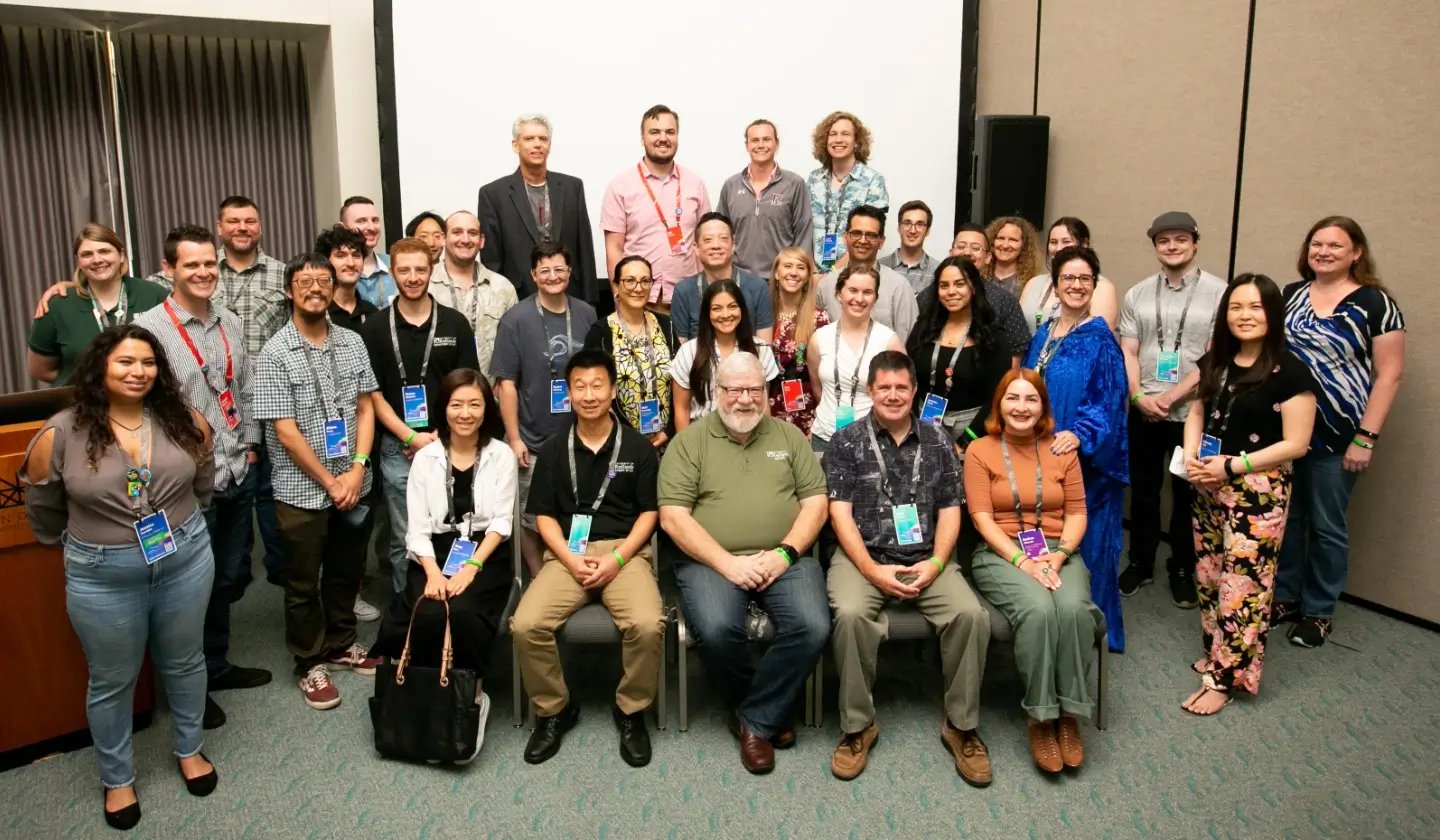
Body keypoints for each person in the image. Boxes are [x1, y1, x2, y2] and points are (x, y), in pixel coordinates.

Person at [22, 325, 220, 830]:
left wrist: (183, 521)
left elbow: (203, 483)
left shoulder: (183, 420)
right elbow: (43, 511)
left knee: (185, 661)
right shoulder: (61, 433)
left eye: (148, 363)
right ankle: (118, 779)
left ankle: (190, 748)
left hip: (185, 560)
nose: (139, 372)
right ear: (100, 368)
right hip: (102, 575)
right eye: (126, 362)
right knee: (112, 680)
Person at [823, 351, 992, 785]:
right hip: (863, 556)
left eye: (902, 387)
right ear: (870, 391)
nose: (894, 396)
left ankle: (962, 726)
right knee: (851, 615)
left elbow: (952, 510)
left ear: (914, 391)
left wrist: (937, 562)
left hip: (926, 558)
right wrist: (869, 568)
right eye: (885, 388)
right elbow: (839, 514)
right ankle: (857, 726)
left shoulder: (938, 442)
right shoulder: (846, 442)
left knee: (970, 616)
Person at [660, 351, 830, 775]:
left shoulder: (791, 438)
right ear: (717, 393)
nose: (745, 399)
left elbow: (815, 504)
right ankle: (766, 713)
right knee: (717, 630)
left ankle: (753, 717)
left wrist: (785, 552)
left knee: (813, 626)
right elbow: (673, 518)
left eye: (754, 389)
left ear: (767, 392)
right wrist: (727, 564)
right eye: (734, 390)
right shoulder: (690, 442)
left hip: (785, 556)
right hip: (710, 561)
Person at [132, 226, 272, 731]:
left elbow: (246, 389)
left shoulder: (230, 323)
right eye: (191, 265)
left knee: (226, 576)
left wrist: (252, 448)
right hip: (185, 482)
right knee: (184, 586)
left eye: (210, 264)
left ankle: (215, 664)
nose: (204, 272)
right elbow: (141, 406)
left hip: (236, 469)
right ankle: (186, 684)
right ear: (168, 270)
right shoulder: (147, 330)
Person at [513, 350, 664, 767]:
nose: (589, 394)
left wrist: (617, 559)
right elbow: (542, 516)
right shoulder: (553, 447)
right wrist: (568, 558)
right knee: (526, 625)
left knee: (648, 625)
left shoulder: (637, 446)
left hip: (625, 552)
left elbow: (650, 514)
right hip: (567, 553)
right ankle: (554, 709)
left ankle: (631, 711)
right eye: (579, 386)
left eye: (598, 385)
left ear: (613, 390)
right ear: (569, 392)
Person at [1180, 274, 1316, 715]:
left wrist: (1233, 466)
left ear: (1272, 314)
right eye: (1236, 307)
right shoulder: (1216, 360)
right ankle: (1218, 654)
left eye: (1256, 307)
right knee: (1210, 575)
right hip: (1209, 481)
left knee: (1244, 587)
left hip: (1256, 492)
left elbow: (1297, 443)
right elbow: (1196, 409)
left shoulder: (1290, 370)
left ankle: (1224, 678)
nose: (1245, 316)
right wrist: (1196, 459)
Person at [254, 254, 383, 710]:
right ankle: (309, 661)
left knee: (347, 571)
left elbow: (366, 406)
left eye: (323, 281)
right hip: (302, 491)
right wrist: (332, 480)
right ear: (290, 290)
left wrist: (359, 467)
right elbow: (284, 431)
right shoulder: (273, 353)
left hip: (354, 483)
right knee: (303, 580)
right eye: (305, 281)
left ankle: (343, 642)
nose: (315, 288)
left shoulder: (351, 341)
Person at [1274, 216, 1405, 648]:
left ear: (1356, 252)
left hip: (1341, 434)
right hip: (1287, 432)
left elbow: (1389, 376)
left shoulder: (1375, 303)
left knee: (1328, 526)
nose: (1324, 252)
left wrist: (1366, 438)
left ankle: (1319, 611)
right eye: (1317, 244)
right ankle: (1286, 598)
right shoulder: (1290, 295)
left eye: (1335, 245)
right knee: (1288, 520)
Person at [964, 368, 1102, 775]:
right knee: (1040, 610)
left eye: (1031, 399)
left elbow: (1077, 511)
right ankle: (1042, 717)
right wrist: (1024, 561)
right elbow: (982, 518)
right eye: (1013, 398)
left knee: (1076, 609)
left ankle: (1070, 715)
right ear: (1000, 405)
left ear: (1043, 406)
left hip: (1059, 552)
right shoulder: (980, 451)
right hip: (1001, 554)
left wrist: (1058, 556)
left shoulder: (1061, 450)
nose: (1021, 407)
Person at [370, 369, 516, 750]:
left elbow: (501, 523)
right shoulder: (426, 458)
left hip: (486, 553)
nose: (465, 413)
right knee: (429, 610)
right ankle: (425, 696)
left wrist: (471, 568)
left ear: (487, 410)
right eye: (456, 405)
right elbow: (415, 529)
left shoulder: (500, 455)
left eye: (474, 404)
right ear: (443, 409)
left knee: (464, 612)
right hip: (434, 553)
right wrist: (433, 573)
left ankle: (469, 694)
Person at [1117, 211, 1228, 607]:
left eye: (1180, 239)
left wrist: (1173, 395)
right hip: (1144, 409)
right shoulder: (1138, 293)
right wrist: (1137, 396)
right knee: (1144, 492)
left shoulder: (1220, 293)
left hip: (1192, 413)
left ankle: (1182, 568)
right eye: (1164, 240)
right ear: (1155, 247)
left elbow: (1218, 354)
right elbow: (1128, 350)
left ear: (1195, 243)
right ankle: (1141, 562)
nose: (1172, 246)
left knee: (1187, 496)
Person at [1022, 246, 1129, 652]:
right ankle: (1048, 618)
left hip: (1081, 461)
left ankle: (1092, 632)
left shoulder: (1101, 339)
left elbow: (1110, 400)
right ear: (1056, 284)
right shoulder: (1046, 331)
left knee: (1089, 546)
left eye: (1086, 279)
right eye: (1069, 278)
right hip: (1039, 452)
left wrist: (1081, 433)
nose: (1077, 285)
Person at [360, 237, 479, 594]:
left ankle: (451, 609)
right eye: (404, 270)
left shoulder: (455, 324)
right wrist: (410, 437)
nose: (413, 277)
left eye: (420, 270)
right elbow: (372, 393)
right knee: (405, 540)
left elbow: (466, 390)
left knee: (455, 531)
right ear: (392, 272)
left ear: (432, 271)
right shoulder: (376, 328)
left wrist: (439, 437)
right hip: (399, 450)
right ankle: (408, 618)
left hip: (450, 445)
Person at [491, 241, 599, 574]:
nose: (553, 276)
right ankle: (539, 578)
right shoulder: (515, 320)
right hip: (533, 440)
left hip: (582, 437)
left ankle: (575, 570)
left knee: (581, 509)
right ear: (534, 275)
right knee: (531, 515)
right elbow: (505, 383)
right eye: (545, 270)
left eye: (560, 269)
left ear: (570, 273)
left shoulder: (586, 313)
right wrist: (514, 439)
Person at [478, 114, 598, 303]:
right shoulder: (493, 194)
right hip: (518, 295)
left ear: (549, 145)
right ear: (515, 145)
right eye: (529, 139)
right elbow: (492, 259)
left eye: (543, 139)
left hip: (570, 294)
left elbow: (584, 246)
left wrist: (590, 301)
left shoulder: (572, 187)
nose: (537, 144)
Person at [601, 104, 712, 310]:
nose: (663, 138)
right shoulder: (620, 185)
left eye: (670, 132)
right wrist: (619, 296)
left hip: (688, 299)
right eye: (654, 132)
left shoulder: (695, 184)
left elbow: (704, 242)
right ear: (642, 138)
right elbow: (614, 247)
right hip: (638, 299)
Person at [28, 223, 168, 384]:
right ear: (78, 261)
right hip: (80, 404)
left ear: (121, 255)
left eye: (104, 251)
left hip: (142, 402)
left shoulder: (154, 295)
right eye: (87, 254)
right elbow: (41, 370)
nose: (97, 260)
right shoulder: (58, 304)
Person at [906, 257, 1012, 447]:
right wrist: (914, 426)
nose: (951, 292)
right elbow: (908, 378)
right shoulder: (924, 329)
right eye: (944, 286)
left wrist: (967, 440)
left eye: (959, 284)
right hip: (923, 426)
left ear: (973, 287)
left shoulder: (993, 337)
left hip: (972, 434)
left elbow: (999, 394)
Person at [809, 265, 906, 454]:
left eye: (867, 292)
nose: (859, 299)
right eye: (853, 290)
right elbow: (817, 388)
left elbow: (901, 394)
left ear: (875, 298)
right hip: (824, 437)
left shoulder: (888, 341)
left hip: (873, 439)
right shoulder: (820, 338)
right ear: (839, 294)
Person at [582, 255, 676, 448]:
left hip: (667, 440)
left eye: (645, 281)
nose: (638, 287)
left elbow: (682, 382)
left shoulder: (667, 326)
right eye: (630, 281)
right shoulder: (600, 333)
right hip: (621, 443)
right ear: (616, 287)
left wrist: (669, 430)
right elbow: (593, 389)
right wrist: (627, 437)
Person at [669, 280, 781, 429]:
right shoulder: (688, 352)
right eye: (717, 308)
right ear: (707, 313)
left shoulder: (761, 350)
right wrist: (685, 449)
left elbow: (763, 405)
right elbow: (682, 410)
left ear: (742, 309)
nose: (726, 314)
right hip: (702, 439)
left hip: (749, 438)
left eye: (732, 306)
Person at [950, 225, 1050, 386]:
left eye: (975, 248)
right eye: (961, 246)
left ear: (988, 257)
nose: (967, 252)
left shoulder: (1005, 301)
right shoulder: (930, 295)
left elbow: (1015, 357)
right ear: (951, 252)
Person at [716, 119, 813, 280]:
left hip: (780, 280)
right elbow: (721, 232)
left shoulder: (794, 184)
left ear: (777, 143)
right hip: (738, 278)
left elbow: (803, 233)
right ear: (747, 146)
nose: (761, 145)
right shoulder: (731, 185)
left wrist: (796, 274)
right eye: (755, 140)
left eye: (766, 139)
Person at [426, 211, 517, 384]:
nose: (465, 239)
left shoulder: (502, 287)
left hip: (491, 396)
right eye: (457, 232)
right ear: (443, 238)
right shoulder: (425, 285)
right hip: (440, 395)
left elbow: (515, 346)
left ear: (481, 241)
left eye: (472, 233)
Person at [669, 212, 775, 343]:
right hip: (699, 362)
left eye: (723, 238)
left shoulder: (758, 287)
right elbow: (681, 352)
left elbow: (764, 348)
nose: (716, 245)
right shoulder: (683, 291)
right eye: (708, 240)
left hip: (748, 362)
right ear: (696, 248)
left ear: (733, 245)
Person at [815, 206, 918, 339]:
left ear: (881, 241)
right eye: (856, 233)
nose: (863, 241)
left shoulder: (898, 286)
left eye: (871, 235)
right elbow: (817, 338)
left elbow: (910, 342)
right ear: (846, 237)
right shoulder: (826, 285)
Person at [806, 111, 888, 272]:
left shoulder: (872, 180)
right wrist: (813, 271)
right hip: (813, 275)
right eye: (833, 134)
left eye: (845, 134)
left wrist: (835, 271)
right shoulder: (814, 179)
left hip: (854, 275)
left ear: (856, 142)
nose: (838, 139)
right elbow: (803, 228)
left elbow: (870, 236)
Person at [766, 247, 830, 435]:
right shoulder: (763, 315)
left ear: (807, 277)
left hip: (806, 407)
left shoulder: (818, 318)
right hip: (767, 404)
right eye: (788, 266)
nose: (794, 272)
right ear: (777, 273)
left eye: (801, 267)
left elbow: (823, 373)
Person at [1019, 217, 1120, 330]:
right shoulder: (1034, 283)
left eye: (1066, 241)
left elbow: (1099, 336)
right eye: (1053, 242)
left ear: (1085, 244)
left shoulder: (1101, 287)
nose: (1058, 248)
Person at [317, 224, 381, 334]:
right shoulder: (317, 312)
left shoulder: (372, 312)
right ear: (325, 262)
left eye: (356, 255)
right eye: (341, 256)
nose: (351, 263)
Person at [340, 196, 396, 306]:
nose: (371, 227)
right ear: (342, 228)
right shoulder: (332, 270)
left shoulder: (396, 265)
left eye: (375, 220)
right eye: (361, 221)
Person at [879, 200, 941, 296]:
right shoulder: (879, 267)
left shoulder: (938, 270)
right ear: (899, 227)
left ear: (928, 230)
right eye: (907, 223)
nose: (912, 230)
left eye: (920, 224)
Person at [983, 216, 1043, 299]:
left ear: (1024, 245)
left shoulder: (1032, 284)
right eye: (1001, 238)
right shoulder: (979, 277)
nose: (1005, 245)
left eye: (1013, 240)